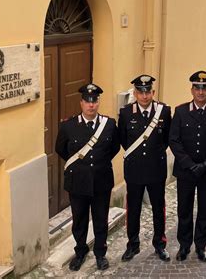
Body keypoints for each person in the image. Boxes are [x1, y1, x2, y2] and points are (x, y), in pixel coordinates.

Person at [55, 83, 120, 271]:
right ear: (81, 103)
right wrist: (80, 167)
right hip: (78, 182)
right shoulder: (68, 126)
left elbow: (114, 148)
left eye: (95, 101)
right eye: (87, 101)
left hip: (101, 180)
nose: (91, 105)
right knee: (80, 220)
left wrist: (98, 163)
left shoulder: (109, 125)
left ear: (98, 103)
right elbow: (60, 149)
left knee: (101, 219)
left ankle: (100, 253)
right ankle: (80, 252)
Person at [169, 71, 206, 262]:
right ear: (191, 90)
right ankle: (184, 245)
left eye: (204, 88)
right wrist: (188, 164)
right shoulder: (181, 111)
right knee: (184, 209)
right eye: (197, 88)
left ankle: (201, 246)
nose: (200, 92)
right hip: (186, 171)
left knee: (205, 210)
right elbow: (174, 140)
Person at [118, 75, 171, 262]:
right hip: (134, 170)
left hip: (156, 169)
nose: (145, 95)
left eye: (148, 91)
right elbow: (124, 141)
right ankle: (133, 245)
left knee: (159, 208)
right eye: (140, 92)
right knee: (133, 209)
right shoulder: (125, 113)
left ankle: (160, 244)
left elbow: (166, 140)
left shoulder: (164, 111)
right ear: (135, 93)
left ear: (153, 92)